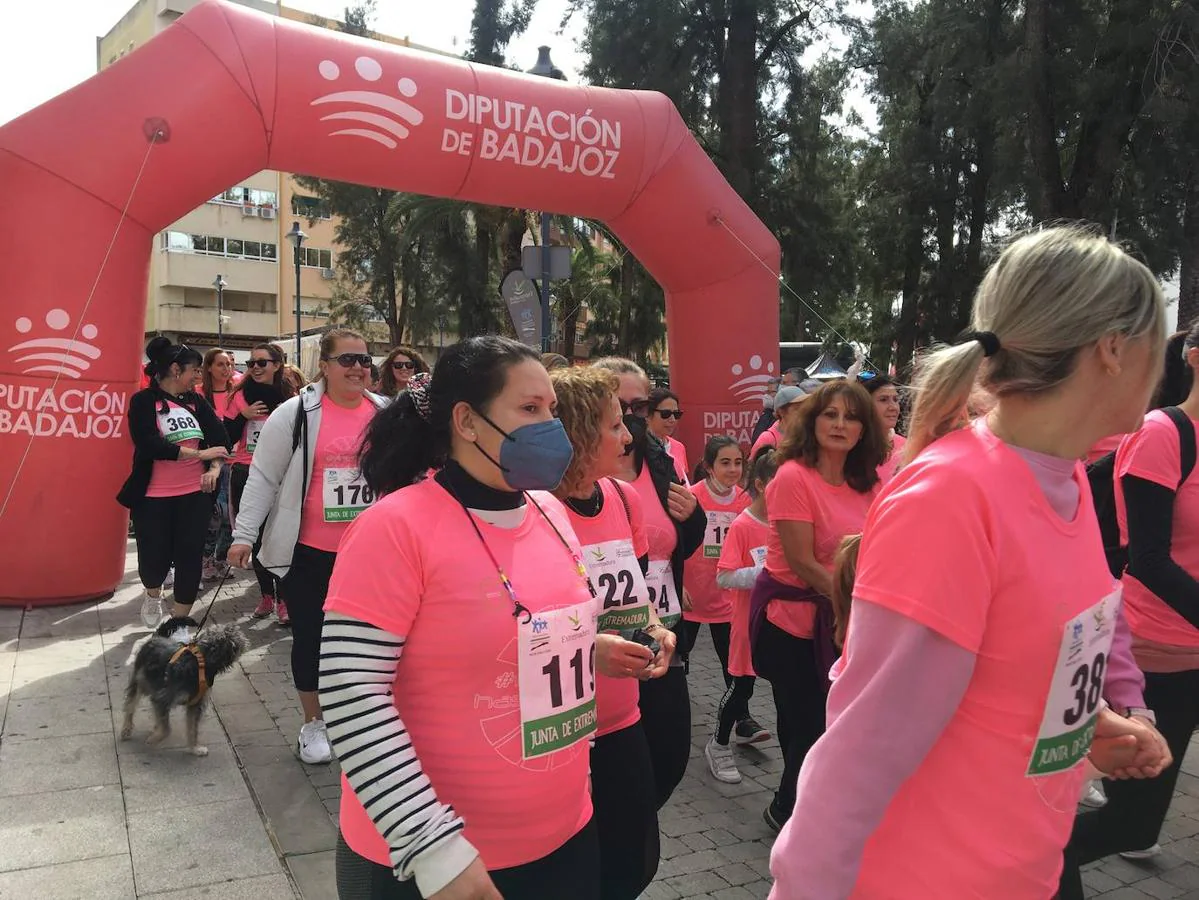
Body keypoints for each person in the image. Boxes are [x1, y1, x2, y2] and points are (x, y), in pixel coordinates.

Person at [769, 226, 1173, 899]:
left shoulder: (1065, 477)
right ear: (1111, 349)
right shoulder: (953, 496)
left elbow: (1003, 669)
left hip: (1023, 872)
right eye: (1157, 344)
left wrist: (1083, 732)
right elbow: (860, 750)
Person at [320, 336, 611, 900]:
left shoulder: (551, 511)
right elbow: (350, 689)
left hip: (566, 835)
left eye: (551, 409)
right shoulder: (395, 526)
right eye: (530, 410)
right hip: (441, 866)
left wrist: (595, 652)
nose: (551, 426)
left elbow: (519, 636)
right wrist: (435, 850)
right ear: (467, 422)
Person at [1058, 321, 1199, 896]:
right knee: (1133, 821)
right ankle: (1042, 861)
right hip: (1158, 651)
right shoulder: (1163, 434)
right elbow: (1146, 558)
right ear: (1193, 356)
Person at [228, 329, 388, 765]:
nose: (358, 368)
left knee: (371, 641)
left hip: (371, 554)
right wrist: (244, 534)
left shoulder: (384, 413)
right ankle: (314, 723)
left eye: (365, 360)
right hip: (310, 550)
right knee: (312, 637)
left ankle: (364, 717)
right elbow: (263, 477)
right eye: (348, 360)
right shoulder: (295, 413)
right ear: (325, 365)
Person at [550, 365, 677, 900]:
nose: (629, 437)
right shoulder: (536, 507)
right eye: (614, 425)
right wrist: (586, 646)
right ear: (579, 432)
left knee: (632, 860)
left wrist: (655, 629)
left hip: (624, 714)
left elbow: (637, 593)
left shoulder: (624, 499)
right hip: (560, 728)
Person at [751, 379, 887, 832]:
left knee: (808, 723)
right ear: (813, 420)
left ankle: (794, 806)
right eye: (831, 414)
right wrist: (859, 610)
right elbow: (804, 563)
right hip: (792, 625)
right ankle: (790, 814)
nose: (840, 424)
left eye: (851, 417)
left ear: (865, 429)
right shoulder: (792, 475)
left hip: (844, 621)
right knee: (810, 726)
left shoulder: (870, 482)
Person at [593, 356, 706, 810]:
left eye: (640, 407)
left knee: (669, 752)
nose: (630, 419)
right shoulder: (563, 474)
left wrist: (693, 517)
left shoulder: (660, 461)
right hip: (597, 642)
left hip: (660, 624)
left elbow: (682, 540)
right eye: (618, 408)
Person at [118, 338, 230, 627]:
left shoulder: (196, 401)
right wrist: (200, 452)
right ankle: (153, 594)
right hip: (152, 497)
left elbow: (221, 441)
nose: (198, 376)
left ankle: (180, 622)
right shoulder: (143, 401)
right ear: (176, 369)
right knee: (153, 559)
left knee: (189, 557)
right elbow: (150, 445)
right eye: (194, 370)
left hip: (195, 494)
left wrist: (214, 468)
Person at [706, 449, 780, 784]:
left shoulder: (786, 524)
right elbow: (724, 576)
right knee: (742, 687)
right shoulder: (743, 525)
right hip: (747, 623)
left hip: (780, 624)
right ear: (764, 486)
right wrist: (763, 574)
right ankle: (718, 744)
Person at [223, 343, 294, 623]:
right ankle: (267, 595)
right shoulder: (237, 397)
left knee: (284, 536)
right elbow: (224, 437)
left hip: (284, 475)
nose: (254, 368)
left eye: (262, 363)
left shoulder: (292, 398)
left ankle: (285, 599)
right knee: (257, 537)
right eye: (251, 363)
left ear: (277, 365)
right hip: (246, 471)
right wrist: (244, 416)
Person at [198, 348, 237, 581]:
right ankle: (205, 559)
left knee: (231, 516)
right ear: (209, 367)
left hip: (236, 461)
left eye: (229, 365)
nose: (226, 369)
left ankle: (221, 558)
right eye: (221, 364)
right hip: (210, 462)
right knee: (215, 514)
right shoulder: (198, 394)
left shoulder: (237, 393)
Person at [860, 374, 906, 483]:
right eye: (883, 400)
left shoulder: (908, 448)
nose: (893, 407)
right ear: (865, 404)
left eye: (895, 400)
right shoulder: (851, 447)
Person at [749, 383, 809, 460]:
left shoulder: (807, 435)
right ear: (781, 412)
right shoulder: (767, 439)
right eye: (797, 409)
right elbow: (754, 469)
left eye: (805, 408)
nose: (803, 412)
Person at [646, 388, 689, 482]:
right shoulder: (639, 448)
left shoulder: (679, 447)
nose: (672, 419)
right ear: (648, 414)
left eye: (676, 414)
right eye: (666, 414)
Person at [751, 377, 781, 443]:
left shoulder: (784, 416)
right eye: (768, 392)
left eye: (773, 392)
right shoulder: (766, 413)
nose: (768, 395)